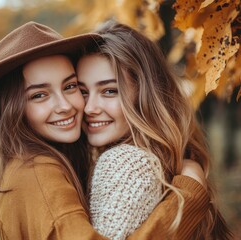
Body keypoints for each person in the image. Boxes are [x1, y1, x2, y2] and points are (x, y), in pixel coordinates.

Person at [0, 21, 211, 240]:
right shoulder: (38, 172)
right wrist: (187, 198)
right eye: (39, 95)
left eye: (71, 87)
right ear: (12, 109)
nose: (67, 105)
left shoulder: (52, 165)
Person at [76, 20, 233, 239]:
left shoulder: (125, 162)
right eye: (83, 92)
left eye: (110, 91)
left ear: (144, 96)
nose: (89, 108)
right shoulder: (168, 160)